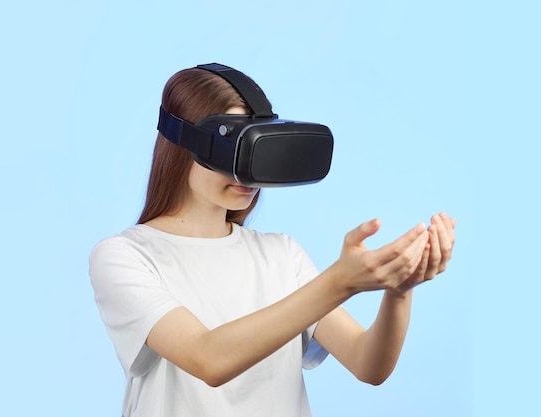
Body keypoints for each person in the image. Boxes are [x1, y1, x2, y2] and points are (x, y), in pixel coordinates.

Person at [89, 65, 456, 417]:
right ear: (183, 144)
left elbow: (368, 364)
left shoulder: (281, 255)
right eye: (233, 145)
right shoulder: (125, 256)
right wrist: (340, 281)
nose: (248, 172)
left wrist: (400, 288)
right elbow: (208, 359)